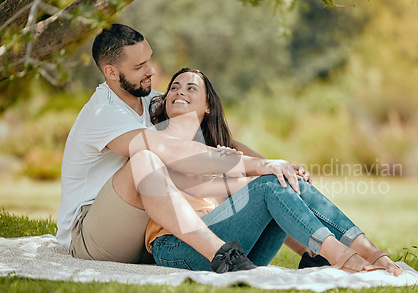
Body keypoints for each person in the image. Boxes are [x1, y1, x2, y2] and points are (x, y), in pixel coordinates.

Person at [56, 24, 305, 269]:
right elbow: (171, 151)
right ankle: (220, 255)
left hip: (145, 227)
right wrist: (259, 166)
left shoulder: (152, 100)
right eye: (139, 66)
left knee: (260, 179)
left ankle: (311, 252)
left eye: (149, 60)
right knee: (145, 159)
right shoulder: (103, 113)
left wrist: (274, 166)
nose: (151, 70)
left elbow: (214, 139)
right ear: (111, 72)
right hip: (90, 234)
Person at [145, 68, 403, 276]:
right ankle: (340, 256)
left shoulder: (226, 146)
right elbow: (258, 185)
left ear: (209, 105)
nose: (179, 92)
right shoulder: (159, 140)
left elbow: (279, 188)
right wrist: (266, 174)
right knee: (271, 182)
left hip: (235, 253)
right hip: (178, 249)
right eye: (174, 87)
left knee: (284, 180)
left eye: (191, 88)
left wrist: (291, 172)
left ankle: (369, 252)